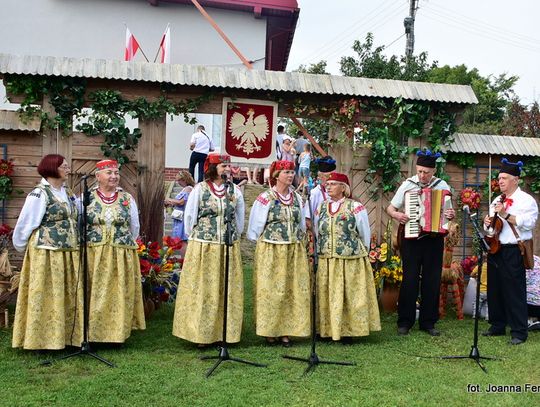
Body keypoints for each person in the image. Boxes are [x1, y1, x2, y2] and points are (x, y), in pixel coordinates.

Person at [173, 153, 245, 346]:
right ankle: (202, 334)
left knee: (225, 288)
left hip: (227, 246)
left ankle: (225, 333)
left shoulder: (234, 190)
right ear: (212, 168)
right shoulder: (200, 189)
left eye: (228, 166)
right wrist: (198, 237)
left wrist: (233, 235)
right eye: (223, 166)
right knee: (204, 288)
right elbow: (190, 216)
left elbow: (239, 217)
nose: (227, 169)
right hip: (204, 246)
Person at [12, 154, 82, 350]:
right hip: (47, 252)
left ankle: (65, 337)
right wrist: (23, 247)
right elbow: (26, 223)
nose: (68, 169)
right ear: (53, 168)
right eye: (64, 167)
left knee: (65, 293)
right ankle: (40, 339)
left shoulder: (68, 193)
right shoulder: (39, 194)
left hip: (67, 252)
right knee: (46, 292)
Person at [386, 150, 455, 336]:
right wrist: (397, 215)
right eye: (420, 171)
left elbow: (449, 213)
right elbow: (390, 208)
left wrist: (450, 215)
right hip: (412, 239)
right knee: (410, 279)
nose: (422, 175)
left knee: (432, 281)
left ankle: (428, 322)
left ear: (434, 171)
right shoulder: (408, 185)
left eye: (426, 172)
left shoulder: (442, 185)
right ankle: (405, 322)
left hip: (434, 240)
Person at [247, 160, 310, 346]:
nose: (290, 175)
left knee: (291, 289)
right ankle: (270, 330)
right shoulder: (266, 197)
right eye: (286, 172)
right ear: (276, 175)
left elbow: (300, 225)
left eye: (292, 172)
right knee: (271, 289)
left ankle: (286, 330)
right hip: (272, 248)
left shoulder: (297, 198)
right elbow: (256, 225)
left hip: (293, 249)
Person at [314, 172, 380, 342]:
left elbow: (364, 233)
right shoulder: (321, 207)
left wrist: (360, 251)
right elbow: (317, 231)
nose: (328, 187)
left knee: (348, 294)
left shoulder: (355, 207)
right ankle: (327, 330)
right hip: (327, 259)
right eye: (327, 184)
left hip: (349, 259)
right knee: (327, 293)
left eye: (333, 184)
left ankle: (349, 331)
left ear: (344, 188)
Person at [86, 159, 145, 343]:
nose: (114, 177)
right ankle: (94, 332)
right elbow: (81, 223)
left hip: (120, 253)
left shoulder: (127, 199)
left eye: (116, 173)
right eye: (109, 173)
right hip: (95, 253)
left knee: (118, 292)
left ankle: (117, 333)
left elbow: (134, 227)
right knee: (96, 291)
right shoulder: (86, 197)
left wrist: (123, 242)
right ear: (98, 176)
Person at [482, 158, 538, 345]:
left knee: (514, 291)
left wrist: (505, 214)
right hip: (495, 248)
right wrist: (487, 222)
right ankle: (497, 325)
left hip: (514, 250)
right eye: (499, 178)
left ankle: (519, 331)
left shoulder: (526, 200)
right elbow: (491, 227)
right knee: (495, 289)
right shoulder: (497, 199)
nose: (500, 181)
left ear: (516, 179)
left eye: (505, 178)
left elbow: (529, 223)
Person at [165, 169, 195, 258]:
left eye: (179, 180)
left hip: (183, 218)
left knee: (182, 241)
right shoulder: (185, 189)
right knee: (181, 240)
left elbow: (181, 202)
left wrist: (169, 200)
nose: (178, 182)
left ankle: (184, 262)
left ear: (184, 180)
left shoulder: (188, 189)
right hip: (180, 217)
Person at [306, 155, 337, 220]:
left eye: (333, 177)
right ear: (320, 177)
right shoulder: (315, 193)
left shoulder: (338, 191)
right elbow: (307, 217)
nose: (331, 180)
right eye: (328, 177)